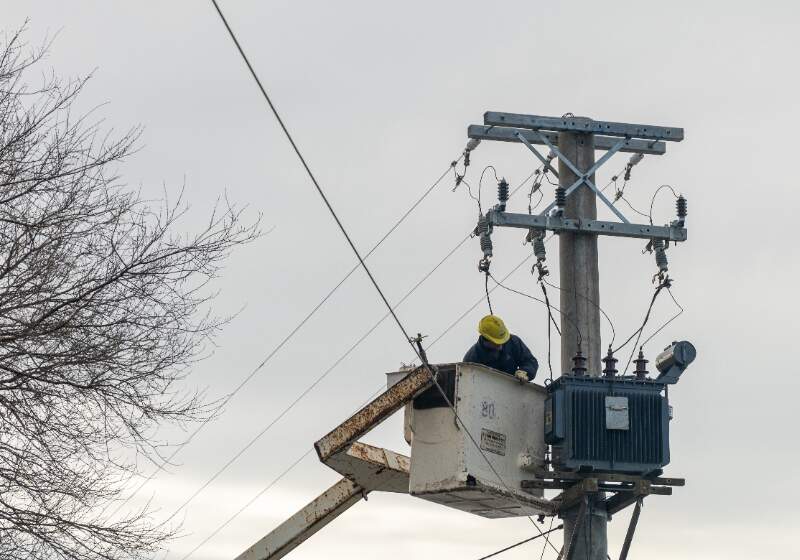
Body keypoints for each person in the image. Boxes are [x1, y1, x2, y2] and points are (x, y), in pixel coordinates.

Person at [463, 315, 538, 382]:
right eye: (497, 343)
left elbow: (530, 361)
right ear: (486, 340)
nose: (501, 347)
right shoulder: (472, 360)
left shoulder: (513, 342)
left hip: (513, 391)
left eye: (503, 341)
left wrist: (525, 372)